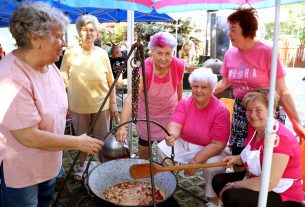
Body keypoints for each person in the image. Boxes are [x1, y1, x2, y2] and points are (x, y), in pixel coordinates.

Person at [0, 2, 104, 206]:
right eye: (58, 36)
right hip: (23, 173)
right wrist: (77, 142)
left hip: (48, 164)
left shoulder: (50, 68)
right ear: (35, 38)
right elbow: (28, 137)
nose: (64, 43)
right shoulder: (10, 76)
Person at [213, 7, 305, 157]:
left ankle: (261, 180)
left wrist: (297, 123)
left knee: (266, 154)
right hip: (242, 110)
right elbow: (225, 82)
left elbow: (282, 90)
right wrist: (205, 92)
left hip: (266, 109)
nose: (228, 34)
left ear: (247, 30)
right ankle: (241, 180)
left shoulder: (268, 53)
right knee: (238, 151)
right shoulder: (230, 54)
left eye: (233, 30)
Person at [212, 92, 304, 207]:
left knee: (232, 196)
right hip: (257, 179)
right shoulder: (254, 128)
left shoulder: (281, 138)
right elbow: (256, 155)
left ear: (272, 110)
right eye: (249, 110)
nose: (252, 115)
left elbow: (269, 183)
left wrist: (234, 184)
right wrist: (237, 159)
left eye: (258, 110)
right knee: (218, 180)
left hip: (282, 194)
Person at [157, 68, 230, 207]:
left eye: (204, 87)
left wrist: (195, 161)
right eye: (195, 86)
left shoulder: (220, 110)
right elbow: (175, 124)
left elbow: (217, 144)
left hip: (210, 148)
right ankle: (170, 182)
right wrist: (171, 135)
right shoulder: (184, 103)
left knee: (214, 165)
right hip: (186, 143)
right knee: (162, 148)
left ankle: (213, 199)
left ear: (212, 88)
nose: (199, 91)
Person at [60, 14, 118, 179]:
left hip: (102, 105)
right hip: (78, 105)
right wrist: (64, 103)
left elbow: (110, 80)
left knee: (102, 139)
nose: (88, 33)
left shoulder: (102, 53)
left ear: (97, 33)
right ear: (79, 32)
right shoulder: (70, 52)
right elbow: (63, 78)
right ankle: (83, 167)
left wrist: (113, 103)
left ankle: (104, 167)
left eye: (92, 30)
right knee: (81, 139)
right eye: (84, 29)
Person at [116, 32, 184, 159]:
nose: (164, 58)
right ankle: (146, 174)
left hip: (169, 114)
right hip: (147, 115)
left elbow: (179, 87)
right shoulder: (145, 70)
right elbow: (132, 98)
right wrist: (122, 126)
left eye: (168, 53)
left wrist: (180, 114)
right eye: (159, 53)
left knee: (166, 153)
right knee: (144, 151)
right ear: (151, 52)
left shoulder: (178, 65)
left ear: (173, 53)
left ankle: (164, 175)